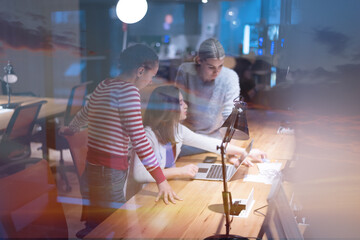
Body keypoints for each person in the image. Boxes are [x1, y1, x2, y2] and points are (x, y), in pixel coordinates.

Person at [59, 44, 181, 238]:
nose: (150, 81)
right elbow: (140, 140)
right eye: (152, 75)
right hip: (110, 170)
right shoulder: (130, 92)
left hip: (92, 166)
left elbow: (85, 113)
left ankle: (92, 231)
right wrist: (161, 179)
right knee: (116, 222)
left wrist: (71, 128)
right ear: (140, 70)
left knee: (96, 214)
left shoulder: (104, 84)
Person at [132, 85, 267, 183]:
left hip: (166, 185)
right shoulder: (147, 136)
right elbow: (139, 175)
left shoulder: (177, 129)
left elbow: (209, 143)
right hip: (143, 194)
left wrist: (243, 152)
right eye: (180, 103)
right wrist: (180, 171)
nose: (185, 106)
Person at [174, 38, 240, 155]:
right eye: (211, 67)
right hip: (188, 138)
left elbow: (231, 115)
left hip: (214, 140)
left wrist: (232, 151)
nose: (217, 72)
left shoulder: (230, 77)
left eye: (220, 66)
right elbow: (175, 107)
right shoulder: (185, 71)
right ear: (199, 60)